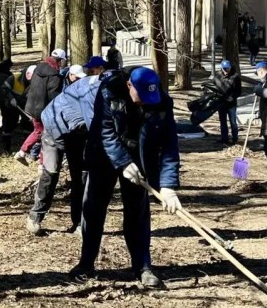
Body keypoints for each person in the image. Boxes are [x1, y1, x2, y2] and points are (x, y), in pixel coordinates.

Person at [70, 67, 181, 288]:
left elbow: (169, 144)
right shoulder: (109, 91)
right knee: (93, 209)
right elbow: (105, 132)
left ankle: (143, 266)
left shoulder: (161, 100)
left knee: (138, 212)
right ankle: (86, 263)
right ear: (129, 85)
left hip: (139, 157)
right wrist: (122, 162)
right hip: (104, 155)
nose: (146, 103)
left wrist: (168, 186)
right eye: (142, 98)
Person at [27, 71, 100, 236]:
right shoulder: (92, 93)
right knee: (51, 173)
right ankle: (35, 217)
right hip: (54, 129)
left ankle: (79, 222)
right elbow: (98, 128)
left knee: (81, 176)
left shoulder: (104, 93)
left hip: (78, 134)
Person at [16, 49, 67, 165]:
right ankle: (42, 163)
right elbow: (53, 95)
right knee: (46, 134)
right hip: (44, 110)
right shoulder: (55, 76)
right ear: (59, 61)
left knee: (38, 131)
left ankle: (23, 152)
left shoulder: (38, 68)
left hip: (31, 106)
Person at [209, 60, 242, 145]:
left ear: (230, 68)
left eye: (228, 69)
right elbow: (213, 86)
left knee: (233, 122)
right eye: (224, 69)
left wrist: (233, 97)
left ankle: (235, 139)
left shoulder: (235, 76)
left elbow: (239, 90)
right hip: (221, 102)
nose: (226, 71)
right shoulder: (217, 76)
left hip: (231, 103)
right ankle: (224, 138)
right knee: (223, 121)